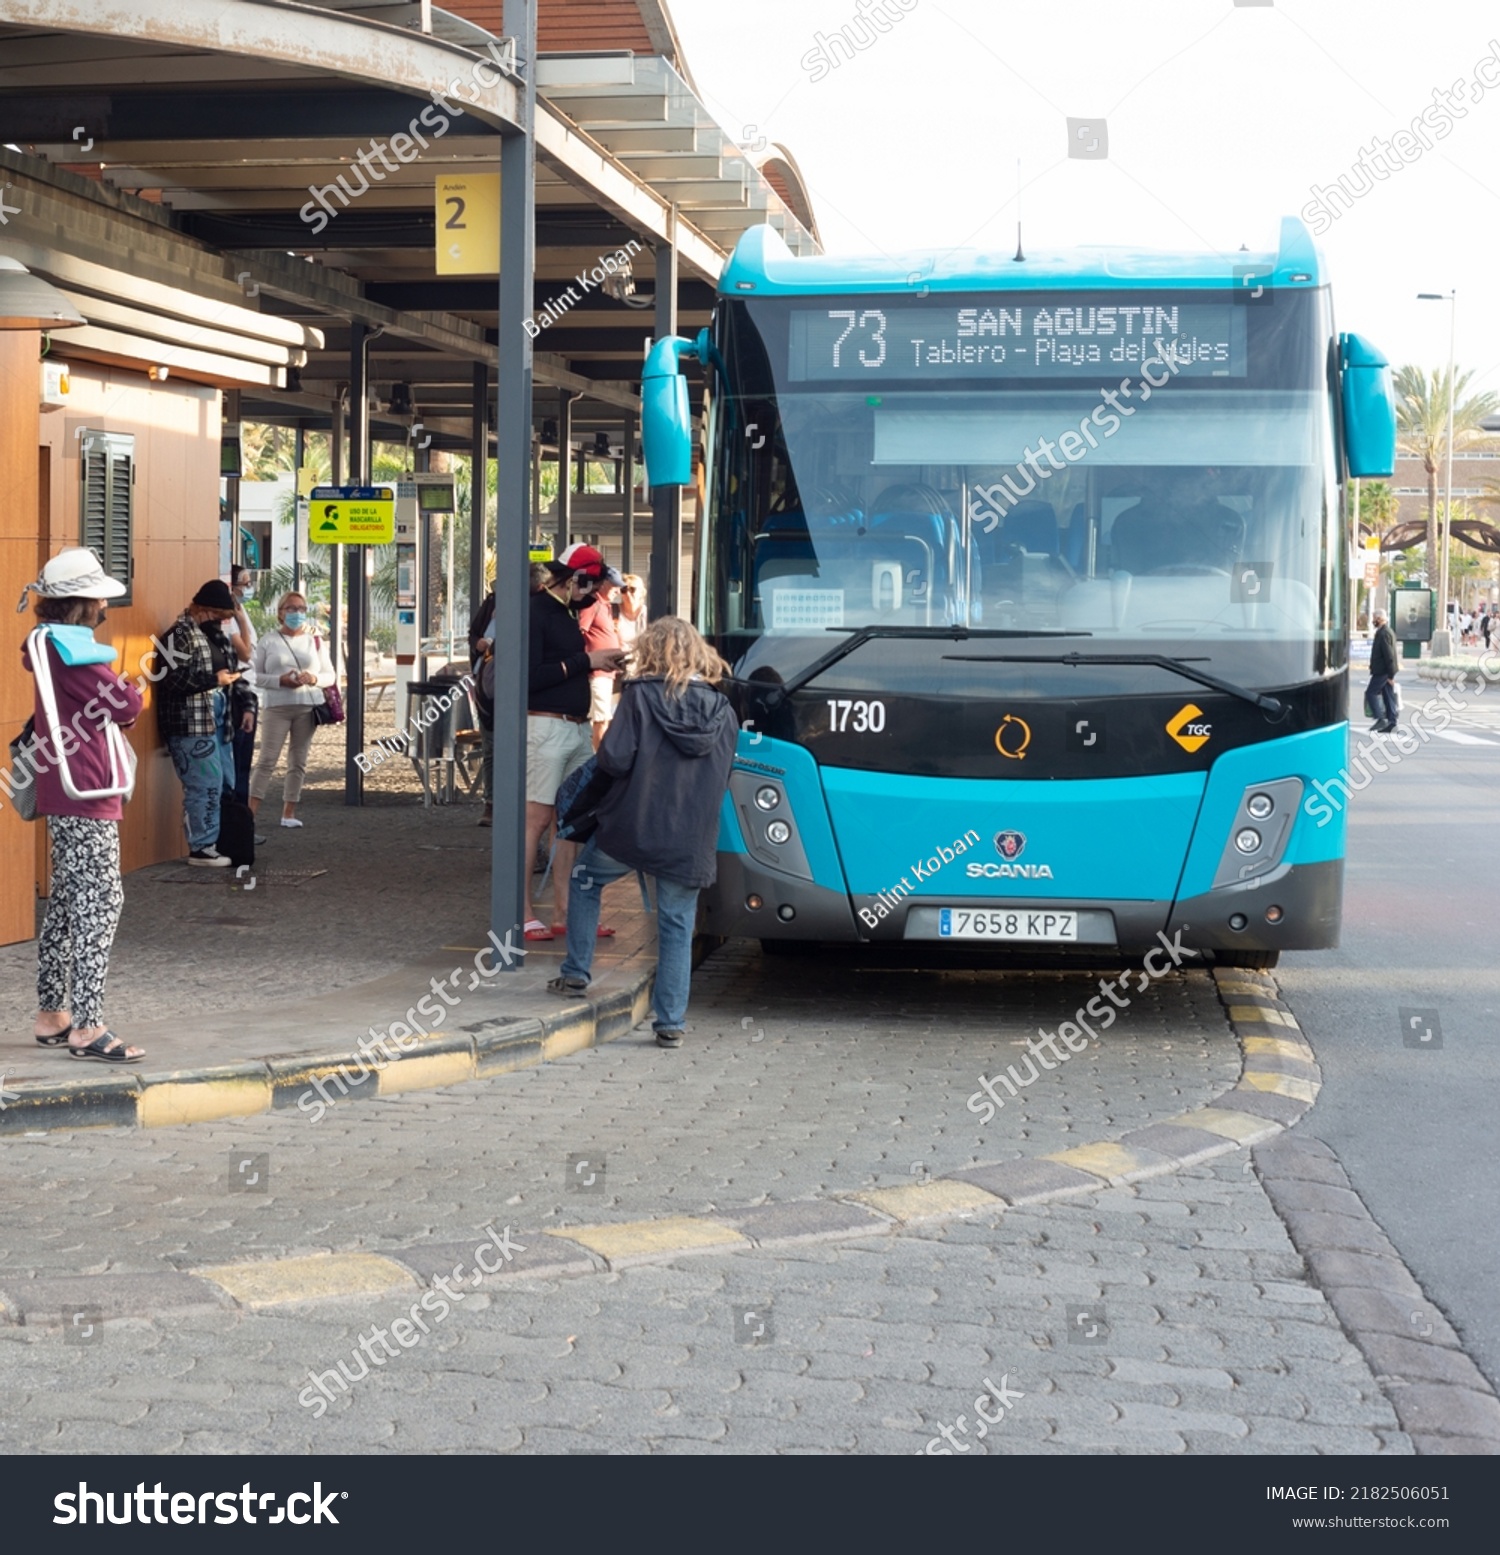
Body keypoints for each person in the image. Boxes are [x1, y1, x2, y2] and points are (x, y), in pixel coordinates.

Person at [551, 617, 738, 1049]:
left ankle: (576, 972)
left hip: (633, 826)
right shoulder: (723, 710)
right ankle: (670, 1022)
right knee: (677, 924)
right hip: (689, 837)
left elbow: (614, 760)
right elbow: (725, 774)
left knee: (585, 879)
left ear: (651, 651)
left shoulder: (640, 697)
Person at [19, 548, 146, 1063]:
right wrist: (128, 692)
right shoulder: (72, 653)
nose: (105, 606)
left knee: (70, 901)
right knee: (101, 901)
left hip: (64, 787)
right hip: (87, 788)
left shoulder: (45, 646)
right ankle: (88, 1026)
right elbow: (127, 703)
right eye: (99, 598)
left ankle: (53, 1014)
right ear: (81, 603)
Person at [525, 548, 625, 940]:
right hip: (546, 725)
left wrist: (596, 662)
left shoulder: (567, 611)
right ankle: (523, 911)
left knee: (570, 821)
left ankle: (564, 911)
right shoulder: (537, 612)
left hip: (574, 727)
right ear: (574, 579)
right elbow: (531, 675)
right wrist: (588, 662)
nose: (592, 593)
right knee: (537, 820)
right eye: (589, 585)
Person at [157, 580, 241, 865]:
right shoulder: (180, 634)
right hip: (188, 724)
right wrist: (214, 679)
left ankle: (206, 842)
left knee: (210, 784)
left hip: (200, 721)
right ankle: (202, 846)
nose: (218, 621)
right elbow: (173, 679)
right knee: (205, 785)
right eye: (217, 615)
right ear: (204, 609)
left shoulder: (191, 632)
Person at [249, 592, 335, 828]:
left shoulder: (314, 641)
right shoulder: (268, 640)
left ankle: (289, 812)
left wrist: (313, 678)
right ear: (281, 612)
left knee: (298, 760)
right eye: (291, 608)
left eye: (301, 609)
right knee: (267, 760)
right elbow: (254, 675)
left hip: (306, 707)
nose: (297, 613)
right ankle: (249, 814)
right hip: (276, 707)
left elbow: (330, 675)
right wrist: (280, 681)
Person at [226, 564, 258, 804]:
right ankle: (236, 815)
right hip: (238, 691)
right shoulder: (230, 618)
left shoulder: (240, 610)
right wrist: (241, 621)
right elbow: (245, 653)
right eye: (245, 583)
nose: (249, 588)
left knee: (245, 763)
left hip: (250, 691)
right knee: (237, 762)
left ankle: (243, 817)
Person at [468, 581, 496, 827]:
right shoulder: (491, 603)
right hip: (488, 685)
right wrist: (478, 643)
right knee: (490, 746)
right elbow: (474, 634)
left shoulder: (535, 606)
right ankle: (491, 802)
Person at [1368, 609, 1399, 734]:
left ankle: (1380, 718)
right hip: (1384, 671)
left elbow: (1389, 655)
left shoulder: (1384, 633)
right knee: (1388, 696)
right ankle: (1392, 723)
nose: (1373, 621)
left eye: (1374, 618)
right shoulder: (1384, 632)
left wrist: (1390, 675)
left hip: (1383, 671)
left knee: (1371, 693)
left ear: (1380, 618)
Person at [617, 573, 647, 652]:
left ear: (641, 592)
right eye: (624, 590)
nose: (627, 593)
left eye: (632, 589)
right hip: (619, 656)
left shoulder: (647, 614)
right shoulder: (612, 612)